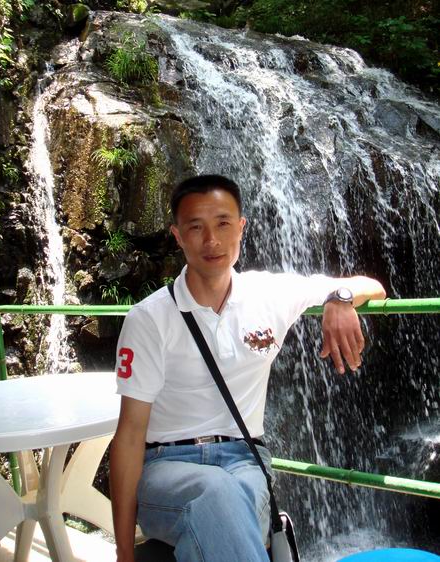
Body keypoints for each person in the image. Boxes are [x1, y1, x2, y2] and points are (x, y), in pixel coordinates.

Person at [110, 175, 386, 562]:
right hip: (166, 469)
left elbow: (371, 286)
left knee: (225, 505)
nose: (212, 240)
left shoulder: (269, 294)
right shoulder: (149, 319)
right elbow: (129, 436)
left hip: (245, 461)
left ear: (241, 227)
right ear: (178, 236)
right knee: (218, 495)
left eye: (223, 223)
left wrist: (338, 299)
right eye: (196, 227)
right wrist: (123, 552)